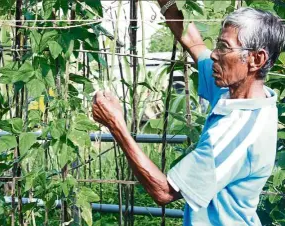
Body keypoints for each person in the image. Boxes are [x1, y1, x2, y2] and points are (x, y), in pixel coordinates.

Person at [92, 1, 285, 225]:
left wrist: (116, 125)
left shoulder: (237, 134)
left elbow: (164, 192)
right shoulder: (241, 93)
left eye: (224, 47)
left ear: (256, 59)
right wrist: (166, 3)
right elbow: (193, 42)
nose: (214, 54)